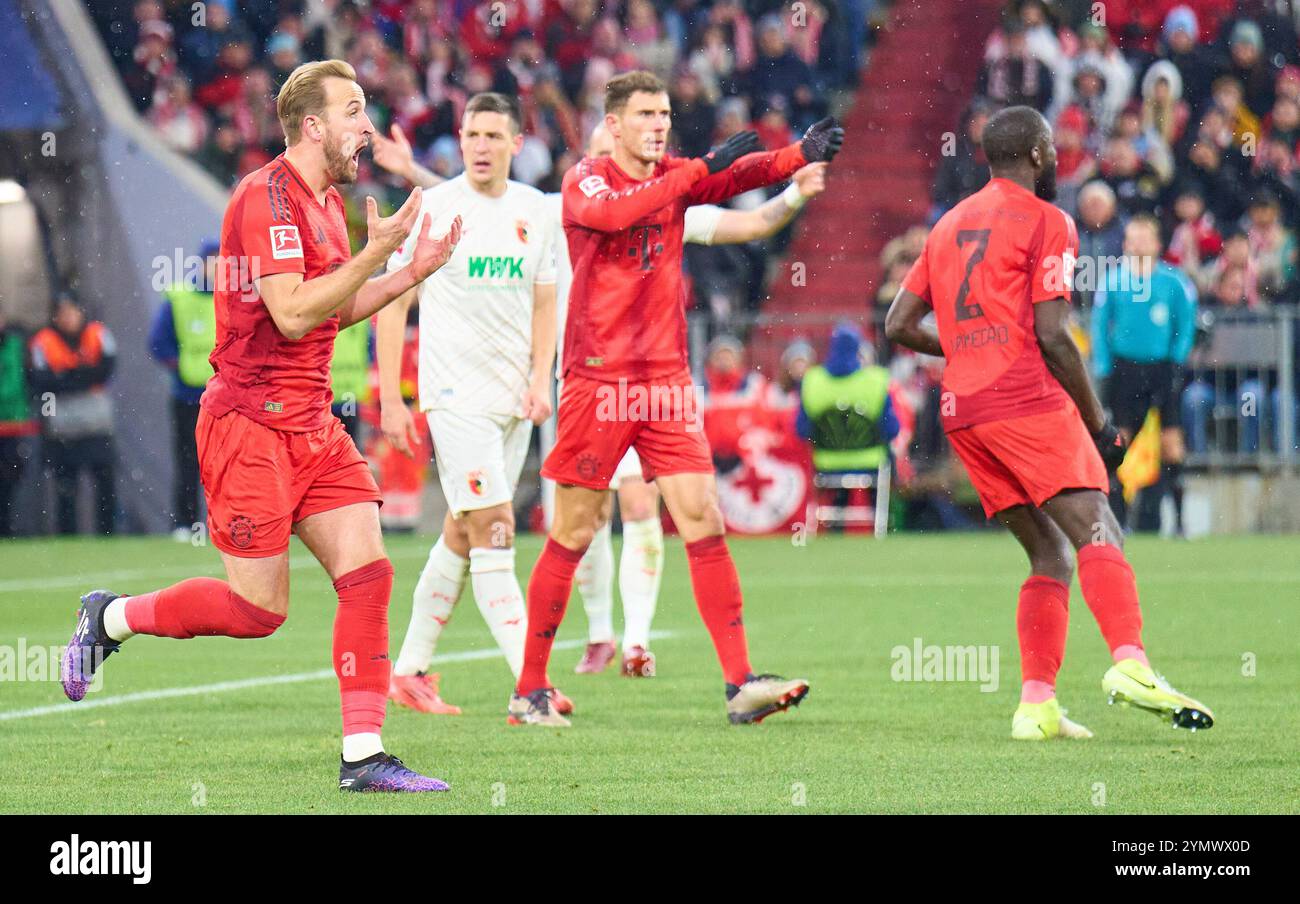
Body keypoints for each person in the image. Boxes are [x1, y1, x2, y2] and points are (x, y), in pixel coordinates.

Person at [60, 59, 462, 792]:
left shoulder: (326, 201)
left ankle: (363, 756)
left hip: (312, 424)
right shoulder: (264, 197)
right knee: (256, 611)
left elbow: (332, 309)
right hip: (249, 426)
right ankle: (111, 616)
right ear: (313, 126)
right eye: (354, 111)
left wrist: (408, 274)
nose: (366, 127)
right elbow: (292, 310)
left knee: (368, 574)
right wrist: (378, 254)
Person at [510, 70, 842, 727]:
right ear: (614, 124)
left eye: (664, 113)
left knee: (703, 518)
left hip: (663, 383)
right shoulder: (587, 179)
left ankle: (740, 684)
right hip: (597, 382)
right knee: (574, 531)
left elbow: (739, 176)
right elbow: (615, 215)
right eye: (645, 115)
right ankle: (530, 688)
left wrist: (800, 154)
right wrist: (696, 173)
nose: (659, 124)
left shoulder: (675, 176)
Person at [885, 105, 1214, 741]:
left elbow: (897, 324)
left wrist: (966, 345)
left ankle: (1037, 707)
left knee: (1047, 550)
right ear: (1037, 153)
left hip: (964, 411)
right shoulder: (1047, 219)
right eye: (1052, 147)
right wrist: (1098, 422)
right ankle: (1131, 664)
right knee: (1098, 526)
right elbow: (1054, 333)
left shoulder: (948, 223)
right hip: (1022, 398)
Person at [563, 124, 831, 677]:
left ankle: (635, 641)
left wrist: (797, 190)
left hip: (645, 384)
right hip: (580, 382)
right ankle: (595, 632)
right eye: (597, 153)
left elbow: (754, 220)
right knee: (582, 519)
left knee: (641, 507)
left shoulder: (668, 210)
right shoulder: (563, 208)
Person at [377, 92, 564, 717]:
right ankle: (529, 685)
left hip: (514, 401)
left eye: (493, 135)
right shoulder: (434, 208)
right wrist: (393, 398)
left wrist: (542, 380)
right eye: (472, 134)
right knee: (495, 530)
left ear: (517, 142)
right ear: (460, 140)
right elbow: (392, 298)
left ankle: (408, 672)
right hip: (455, 398)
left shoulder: (535, 211)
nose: (481, 146)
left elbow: (545, 302)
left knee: (463, 530)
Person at [1091, 215, 1197, 533]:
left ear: (1156, 244)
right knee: (1119, 441)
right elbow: (1099, 326)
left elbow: (1186, 323)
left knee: (1172, 444)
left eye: (1144, 238)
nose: (1137, 244)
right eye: (1132, 238)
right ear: (1124, 244)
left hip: (1162, 370)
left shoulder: (1173, 281)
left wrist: (1177, 361)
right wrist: (1103, 368)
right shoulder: (1112, 281)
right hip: (1126, 370)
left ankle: (1178, 522)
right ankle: (1117, 518)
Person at [29, 296, 118, 536]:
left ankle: (107, 533)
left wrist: (67, 377)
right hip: (63, 427)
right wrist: (80, 376)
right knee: (66, 486)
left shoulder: (98, 334)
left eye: (73, 312)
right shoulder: (43, 341)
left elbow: (106, 369)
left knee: (105, 483)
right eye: (63, 313)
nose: (68, 318)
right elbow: (40, 379)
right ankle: (68, 534)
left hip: (96, 424)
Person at [149, 240, 218, 538]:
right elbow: (157, 342)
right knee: (188, 459)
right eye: (213, 261)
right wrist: (182, 366)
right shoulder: (180, 298)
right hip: (188, 396)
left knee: (226, 463)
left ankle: (224, 523)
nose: (217, 267)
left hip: (226, 397)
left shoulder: (238, 298)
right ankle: (185, 522)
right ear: (201, 264)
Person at [0, 309, 35, 537]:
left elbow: (26, 379)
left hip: (12, 424)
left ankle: (6, 524)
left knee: (12, 476)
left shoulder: (17, 344)